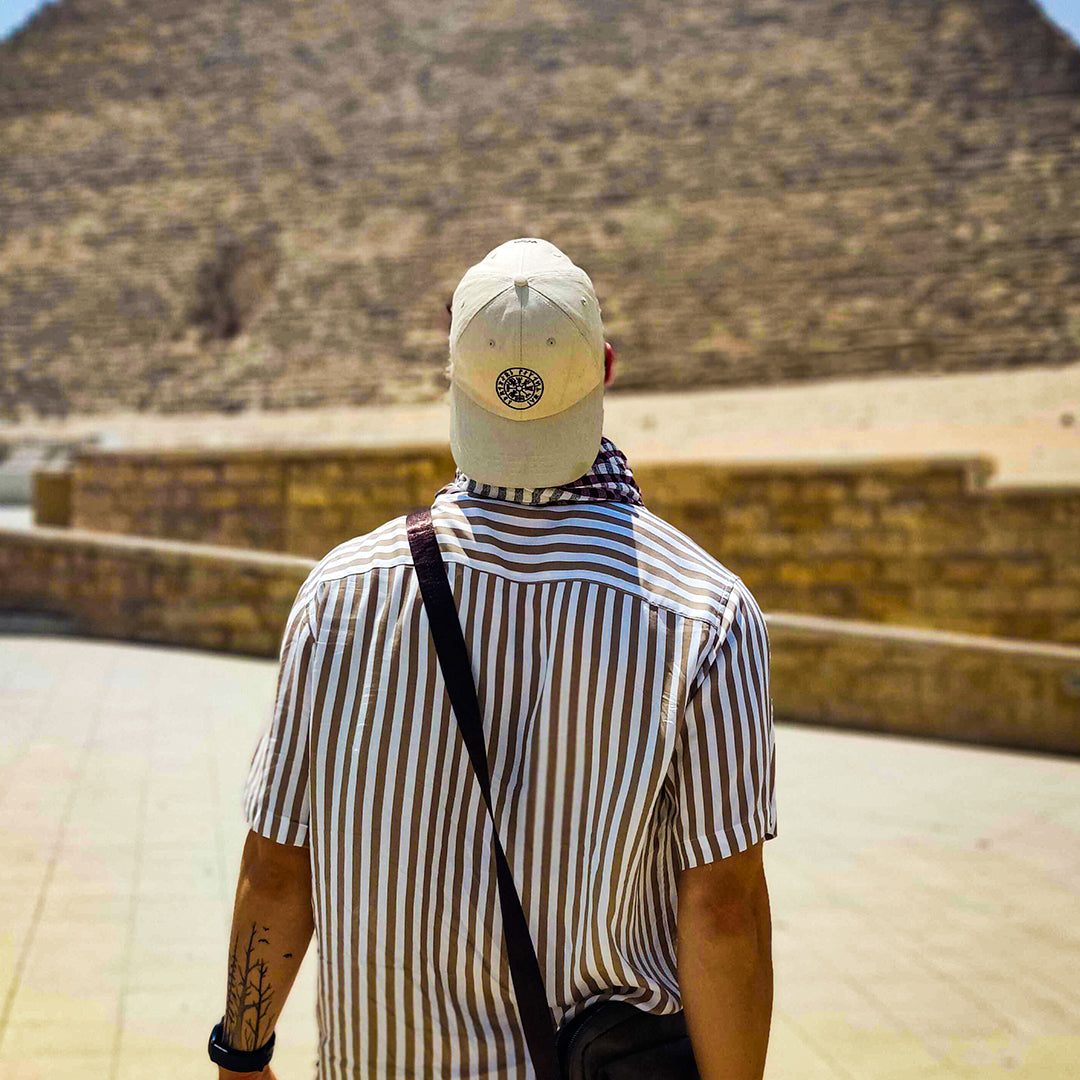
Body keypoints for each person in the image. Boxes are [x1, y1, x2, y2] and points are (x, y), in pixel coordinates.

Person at [208, 238, 776, 1080]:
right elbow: (723, 912)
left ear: (451, 375)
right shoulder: (706, 612)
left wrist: (240, 1056)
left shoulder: (340, 596)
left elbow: (276, 867)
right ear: (607, 369)